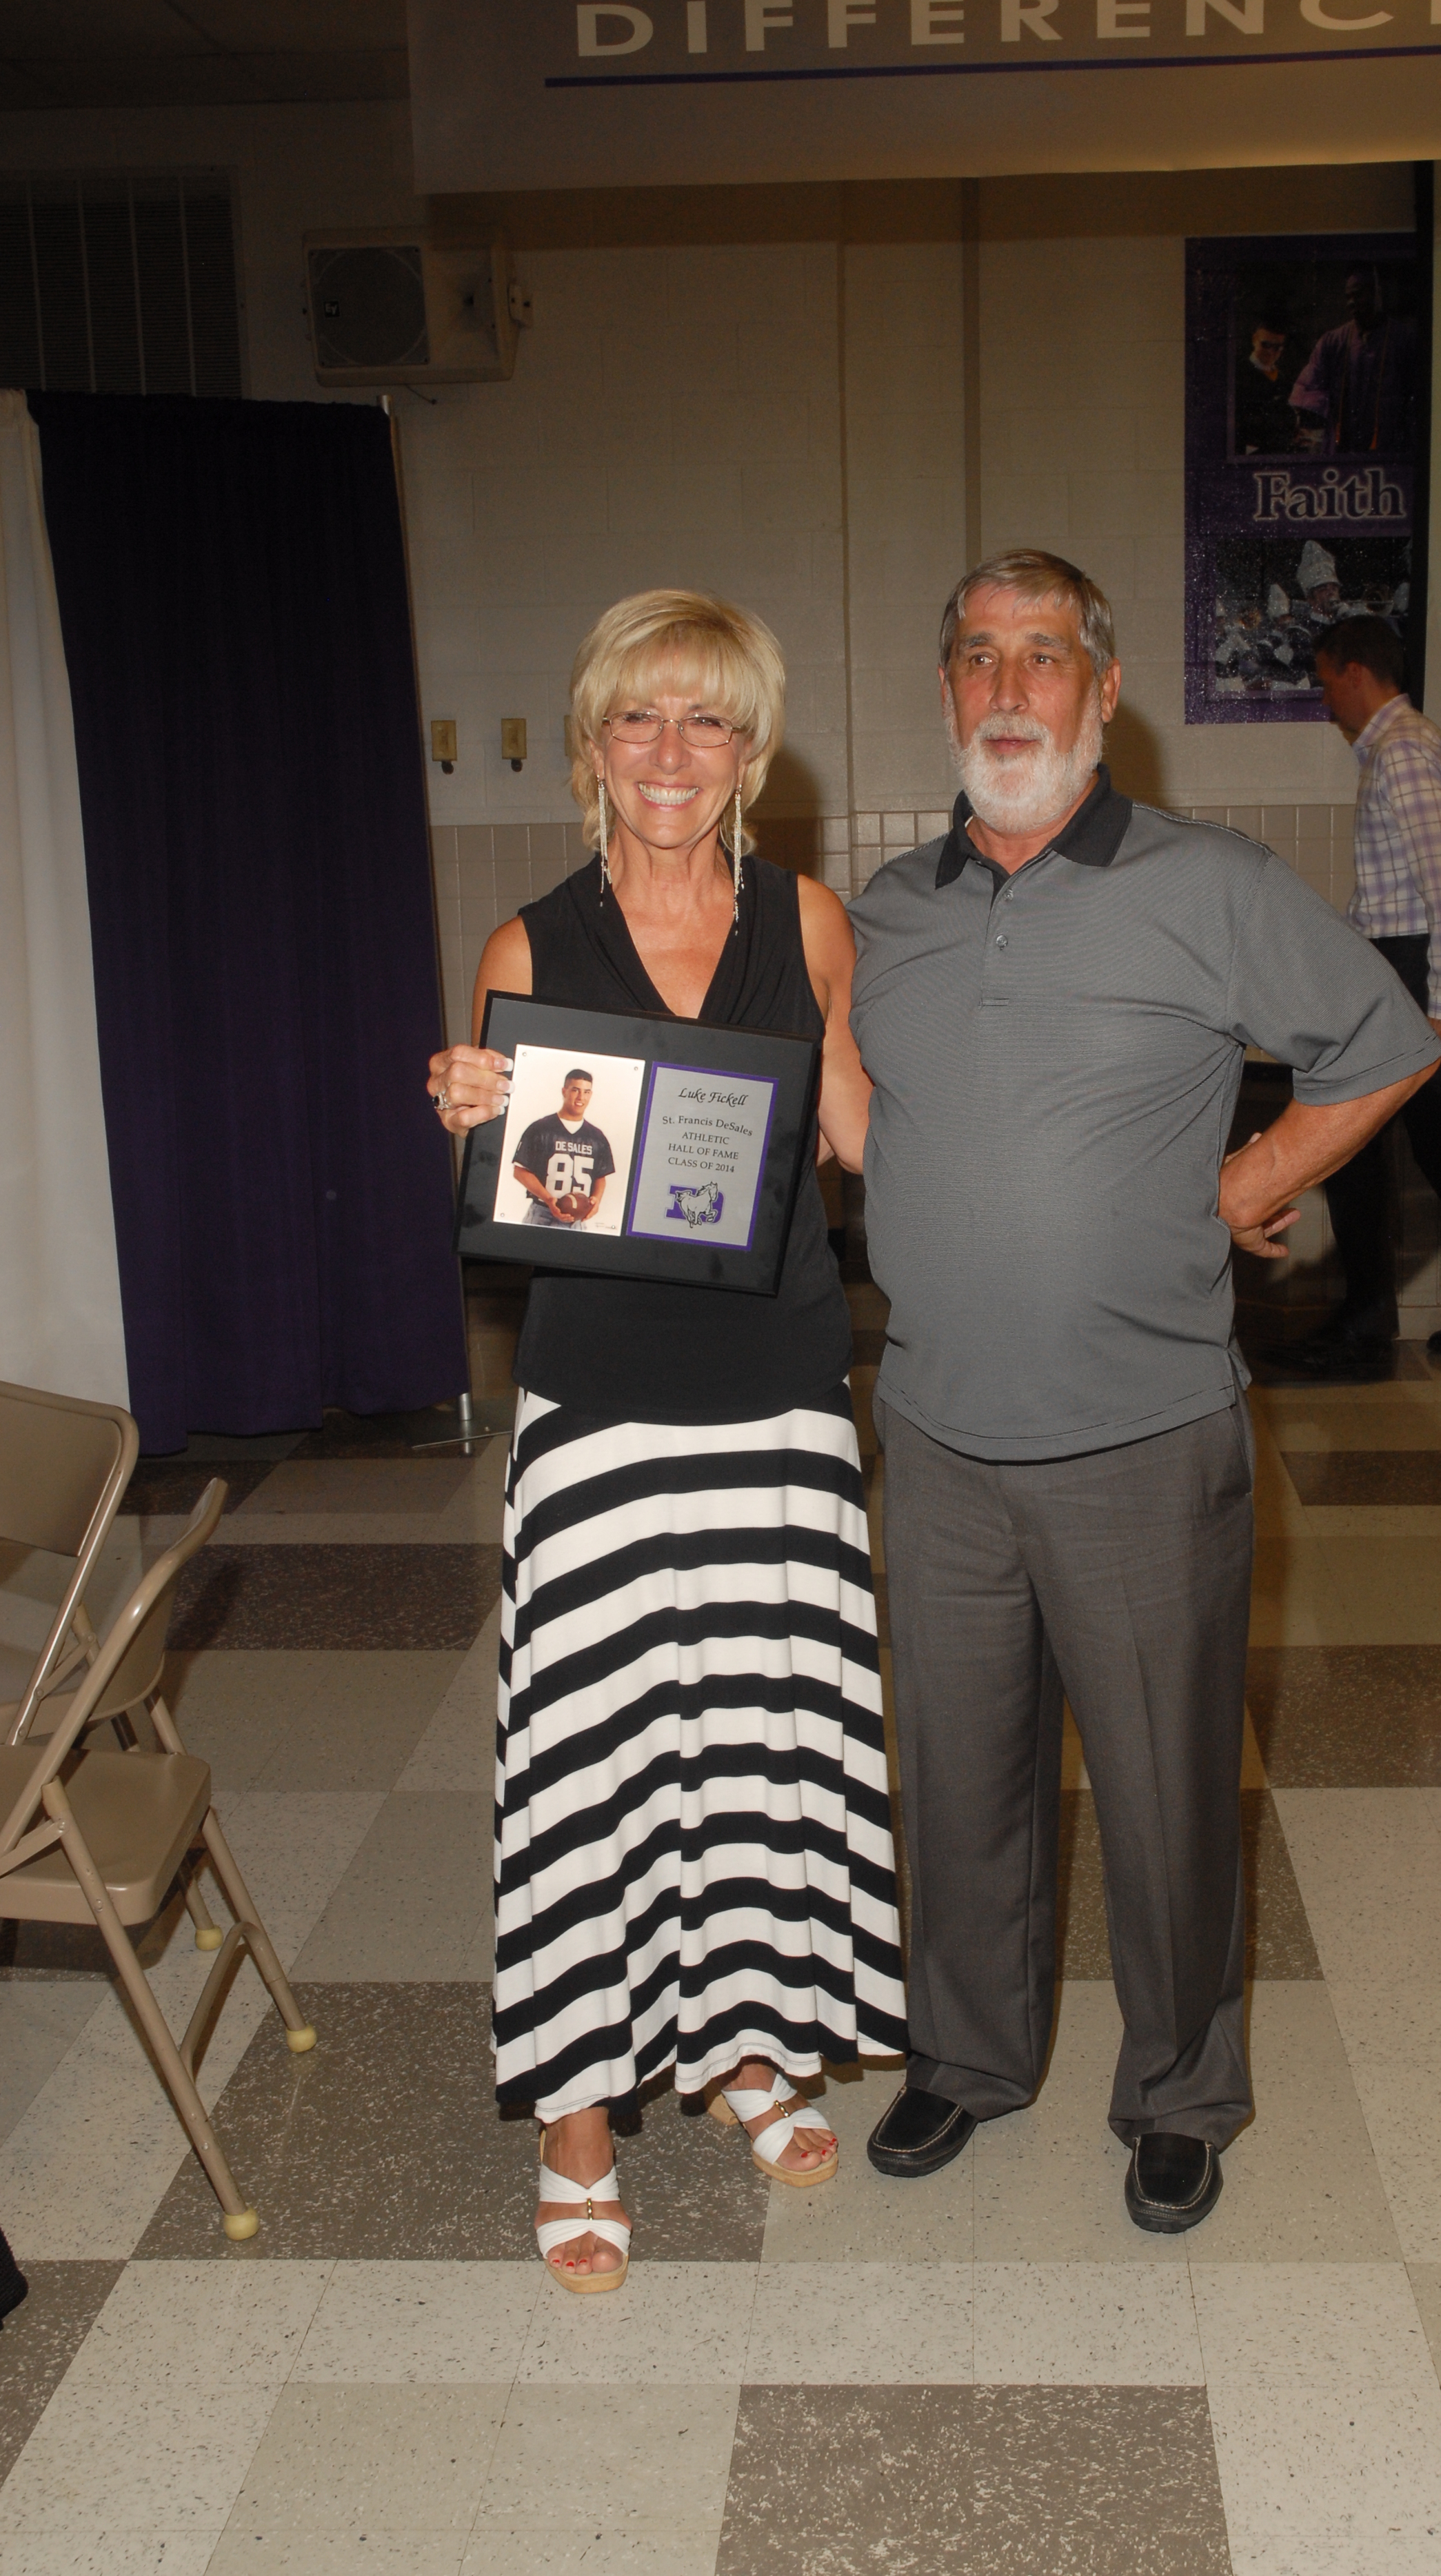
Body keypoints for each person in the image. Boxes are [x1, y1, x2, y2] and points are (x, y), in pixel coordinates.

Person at [847, 550, 1439, 2231]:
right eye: (979, 656)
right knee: (958, 1776)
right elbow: (822, 1089)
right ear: (948, 692)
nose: (1011, 686)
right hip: (941, 1433)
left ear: (1104, 695)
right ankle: (967, 2056)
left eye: (1045, 656)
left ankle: (1180, 2086)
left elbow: (1386, 1039)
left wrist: (1258, 1160)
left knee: (1172, 1791)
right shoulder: (887, 911)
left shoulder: (1210, 881)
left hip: (1144, 1434)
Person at [428, 590, 907, 2293]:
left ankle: (744, 2041)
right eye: (641, 717)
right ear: (594, 740)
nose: (672, 754)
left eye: (707, 720)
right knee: (595, 1760)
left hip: (781, 1396)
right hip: (606, 1406)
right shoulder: (528, 948)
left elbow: (856, 1132)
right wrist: (465, 1116)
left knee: (767, 1739)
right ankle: (576, 2117)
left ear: (750, 747)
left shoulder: (810, 916)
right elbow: (498, 1187)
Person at [1266, 616, 1441, 1381]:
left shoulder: (1403, 754)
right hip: (1397, 967)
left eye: (1327, 680)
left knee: (1351, 1139)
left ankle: (1367, 1330)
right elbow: (1397, 897)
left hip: (1412, 973)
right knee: (1434, 1144)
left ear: (1356, 672)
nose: (1325, 698)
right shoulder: (1406, 749)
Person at [1291, 266, 1418, 456]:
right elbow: (1308, 389)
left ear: (1377, 293)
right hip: (1341, 450)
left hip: (1391, 449)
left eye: (1358, 295)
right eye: (1348, 297)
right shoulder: (1332, 342)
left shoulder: (1405, 339)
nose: (1351, 303)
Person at [512, 1067, 614, 1228]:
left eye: (587, 1092)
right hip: (543, 1214)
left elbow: (601, 1176)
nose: (581, 1097)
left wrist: (597, 1199)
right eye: (576, 1090)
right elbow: (520, 1172)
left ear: (591, 1095)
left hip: (578, 1221)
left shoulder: (597, 1137)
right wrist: (549, 1199)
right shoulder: (540, 1129)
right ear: (564, 1091)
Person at [1234, 317, 1305, 455]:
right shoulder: (1238, 374)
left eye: (1277, 347)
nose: (1271, 352)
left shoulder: (1284, 379)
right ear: (1254, 339)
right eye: (1266, 345)